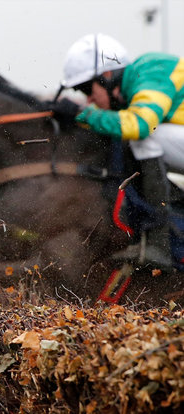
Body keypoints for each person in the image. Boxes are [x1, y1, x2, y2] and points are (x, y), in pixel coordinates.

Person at [52, 33, 184, 268]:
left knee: (145, 137)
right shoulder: (132, 89)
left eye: (86, 89)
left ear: (107, 76)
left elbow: (141, 125)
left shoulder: (151, 69)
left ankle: (159, 243)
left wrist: (82, 114)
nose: (89, 99)